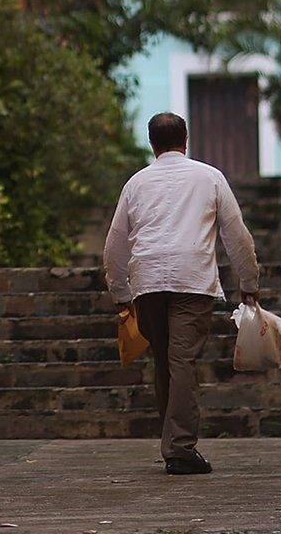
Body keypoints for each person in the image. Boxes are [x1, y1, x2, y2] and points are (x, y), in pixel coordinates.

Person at [102, 111, 261, 475]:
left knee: (166, 360)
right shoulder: (210, 178)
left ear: (151, 143)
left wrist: (120, 292)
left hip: (147, 282)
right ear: (185, 140)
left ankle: (174, 443)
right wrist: (249, 284)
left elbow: (115, 245)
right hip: (192, 280)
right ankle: (180, 447)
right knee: (181, 360)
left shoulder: (136, 184)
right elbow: (237, 236)